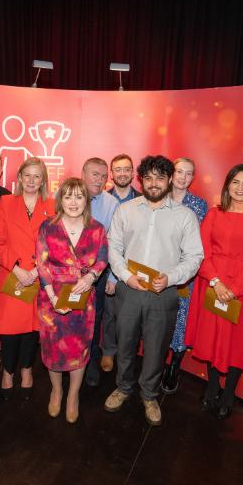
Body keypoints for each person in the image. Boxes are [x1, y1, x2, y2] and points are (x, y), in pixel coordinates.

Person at [105, 155, 204, 426]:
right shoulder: (126, 210)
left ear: (170, 180)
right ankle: (123, 387)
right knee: (124, 343)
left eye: (160, 177)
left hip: (164, 293)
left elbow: (195, 257)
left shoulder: (185, 216)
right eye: (148, 178)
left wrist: (171, 277)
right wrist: (125, 275)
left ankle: (149, 394)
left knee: (157, 347)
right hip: (130, 289)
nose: (154, 183)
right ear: (141, 180)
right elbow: (113, 247)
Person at [184, 164, 243, 419]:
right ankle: (212, 387)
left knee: (239, 340)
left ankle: (229, 394)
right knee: (213, 337)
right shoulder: (214, 214)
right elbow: (201, 250)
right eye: (235, 182)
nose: (240, 188)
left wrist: (235, 289)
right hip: (213, 284)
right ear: (227, 186)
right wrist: (216, 282)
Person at [36, 178, 109, 423]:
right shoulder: (48, 226)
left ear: (86, 200)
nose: (74, 202)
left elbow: (102, 259)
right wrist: (53, 297)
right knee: (53, 348)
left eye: (79, 196)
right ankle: (57, 390)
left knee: (80, 348)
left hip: (83, 299)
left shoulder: (97, 229)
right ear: (60, 200)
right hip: (51, 300)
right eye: (68, 196)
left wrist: (91, 277)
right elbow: (42, 264)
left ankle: (73, 395)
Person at [0, 157, 54, 400]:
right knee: (9, 330)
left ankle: (27, 369)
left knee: (31, 329)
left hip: (39, 278)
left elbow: (55, 245)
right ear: (19, 178)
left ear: (43, 180)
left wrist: (37, 270)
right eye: (26, 175)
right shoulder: (6, 202)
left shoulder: (52, 204)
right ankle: (8, 371)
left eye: (36, 176)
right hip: (12, 276)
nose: (31, 180)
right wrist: (17, 268)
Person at [161, 157, 209, 394]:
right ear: (171, 174)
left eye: (188, 173)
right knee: (157, 318)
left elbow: (201, 244)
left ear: (193, 177)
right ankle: (156, 364)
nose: (182, 177)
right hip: (157, 270)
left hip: (186, 275)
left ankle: (173, 367)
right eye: (179, 171)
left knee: (182, 320)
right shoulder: (158, 198)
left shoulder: (199, 205)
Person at [100, 153, 142, 374]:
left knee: (132, 317)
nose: (123, 173)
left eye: (127, 169)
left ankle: (127, 356)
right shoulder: (103, 200)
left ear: (133, 173)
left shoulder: (144, 201)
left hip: (136, 269)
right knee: (109, 314)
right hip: (109, 269)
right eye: (118, 169)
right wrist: (112, 276)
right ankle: (108, 350)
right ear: (111, 174)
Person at [80, 157, 119, 387]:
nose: (100, 179)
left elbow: (114, 243)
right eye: (95, 174)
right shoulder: (68, 195)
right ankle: (72, 358)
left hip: (99, 273)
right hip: (68, 272)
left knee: (94, 320)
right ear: (83, 173)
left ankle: (91, 360)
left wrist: (112, 277)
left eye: (104, 176)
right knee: (70, 317)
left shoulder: (111, 203)